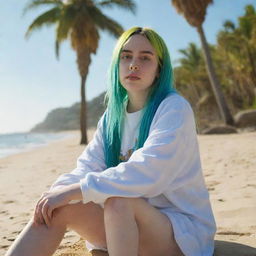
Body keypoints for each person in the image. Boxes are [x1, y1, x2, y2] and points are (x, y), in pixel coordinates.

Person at [5, 27, 216, 256]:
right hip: (124, 229)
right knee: (56, 207)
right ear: (117, 64)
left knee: (119, 201)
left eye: (145, 58)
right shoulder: (112, 117)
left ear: (158, 70)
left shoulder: (173, 108)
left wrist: (77, 190)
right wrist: (57, 192)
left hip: (180, 234)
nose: (133, 64)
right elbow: (87, 167)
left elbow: (148, 172)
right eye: (126, 57)